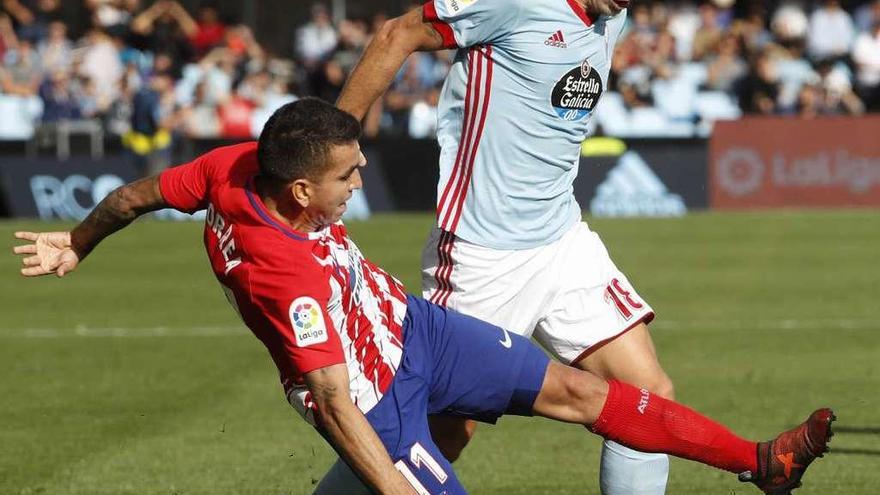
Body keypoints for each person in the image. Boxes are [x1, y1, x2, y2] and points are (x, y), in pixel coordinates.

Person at [13, 98, 834, 495]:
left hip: (414, 327)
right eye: (346, 176)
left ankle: (760, 462)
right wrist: (398, 489)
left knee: (589, 390)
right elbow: (333, 402)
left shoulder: (234, 163)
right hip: (377, 401)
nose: (362, 178)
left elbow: (137, 195)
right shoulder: (285, 274)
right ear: (300, 189)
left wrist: (77, 242)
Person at [333, 0, 677, 493]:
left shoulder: (612, 16)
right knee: (437, 434)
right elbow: (397, 34)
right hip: (480, 253)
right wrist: (333, 143)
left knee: (647, 398)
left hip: (562, 239)